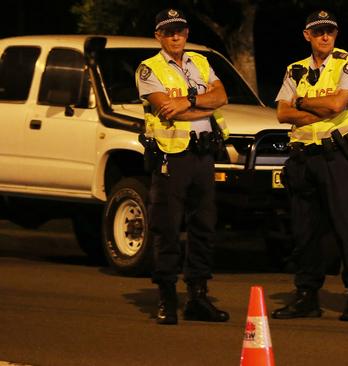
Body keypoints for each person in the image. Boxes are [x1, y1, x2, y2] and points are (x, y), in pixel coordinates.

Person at [272, 9, 348, 321]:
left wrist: (301, 102)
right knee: (305, 229)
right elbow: (282, 114)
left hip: (336, 156)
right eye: (318, 32)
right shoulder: (295, 69)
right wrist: (314, 110)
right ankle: (307, 295)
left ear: (336, 33)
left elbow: (336, 105)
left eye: (329, 31)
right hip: (303, 158)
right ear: (307, 36)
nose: (325, 36)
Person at [135, 8, 230, 325]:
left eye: (180, 30)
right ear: (158, 37)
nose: (175, 36)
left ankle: (198, 297)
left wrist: (188, 102)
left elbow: (222, 97)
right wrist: (200, 103)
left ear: (187, 33)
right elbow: (166, 110)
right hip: (170, 156)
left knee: (204, 226)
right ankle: (167, 298)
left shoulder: (201, 62)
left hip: (203, 155)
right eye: (168, 31)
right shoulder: (149, 69)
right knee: (167, 227)